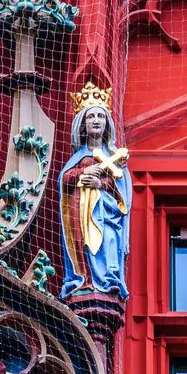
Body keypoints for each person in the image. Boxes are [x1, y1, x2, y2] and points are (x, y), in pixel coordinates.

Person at [57, 82, 130, 297]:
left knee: (106, 241)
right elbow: (64, 179)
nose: (96, 120)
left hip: (106, 214)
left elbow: (121, 190)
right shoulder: (77, 158)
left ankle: (107, 280)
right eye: (91, 117)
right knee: (83, 244)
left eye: (100, 116)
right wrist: (82, 174)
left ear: (107, 123)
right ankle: (84, 279)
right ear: (82, 124)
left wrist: (100, 184)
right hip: (79, 212)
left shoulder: (114, 157)